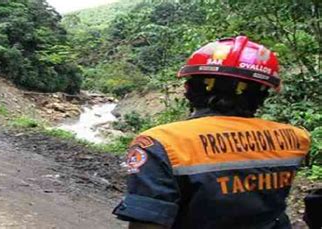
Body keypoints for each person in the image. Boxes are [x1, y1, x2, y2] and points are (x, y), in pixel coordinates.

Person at [113, 36, 311, 229]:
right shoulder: (297, 138)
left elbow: (147, 222)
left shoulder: (161, 143)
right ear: (263, 94)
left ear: (188, 88)